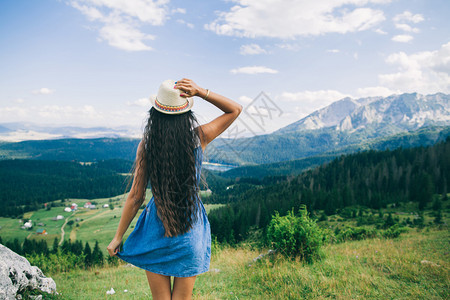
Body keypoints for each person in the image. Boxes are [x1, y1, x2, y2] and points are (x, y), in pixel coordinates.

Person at [107, 78, 242, 300]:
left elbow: (136, 197)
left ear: (155, 113)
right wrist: (200, 92)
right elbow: (235, 109)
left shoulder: (147, 145)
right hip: (190, 226)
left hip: (156, 230)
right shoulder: (198, 137)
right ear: (186, 113)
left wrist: (117, 237)